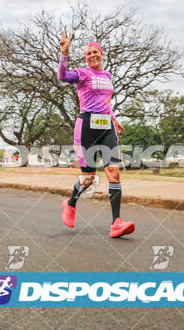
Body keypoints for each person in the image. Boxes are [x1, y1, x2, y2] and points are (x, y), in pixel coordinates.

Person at [57, 31, 135, 238]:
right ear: (85, 58)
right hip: (87, 127)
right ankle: (71, 203)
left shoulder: (107, 75)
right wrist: (64, 54)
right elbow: (62, 76)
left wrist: (114, 118)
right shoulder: (82, 73)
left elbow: (106, 102)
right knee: (88, 178)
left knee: (114, 172)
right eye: (89, 53)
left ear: (101, 54)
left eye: (96, 52)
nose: (93, 55)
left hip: (107, 126)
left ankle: (116, 222)